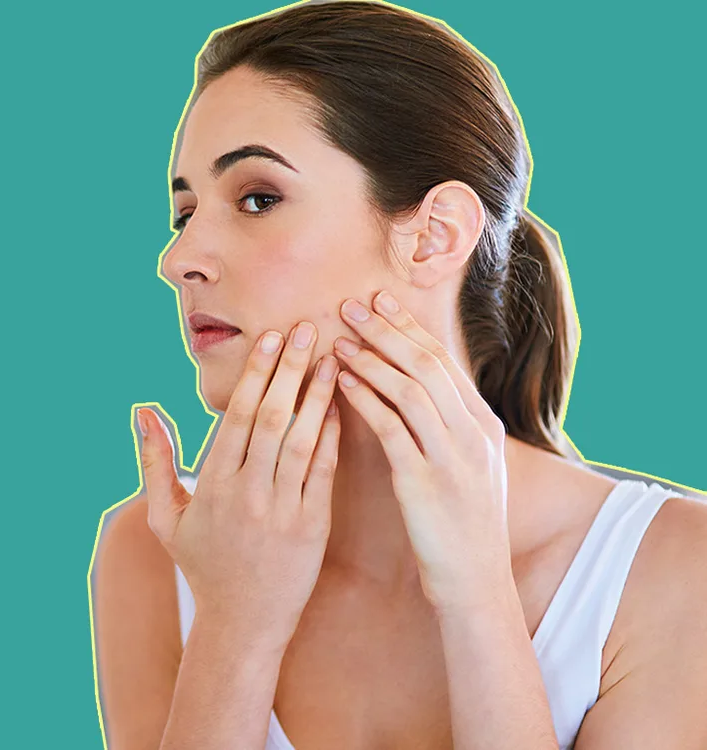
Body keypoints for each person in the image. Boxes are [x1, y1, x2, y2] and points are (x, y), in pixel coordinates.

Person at [91, 2, 707, 749]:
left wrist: (475, 594)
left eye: (258, 199)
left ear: (434, 237)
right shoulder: (154, 556)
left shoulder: (673, 571)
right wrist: (233, 626)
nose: (178, 259)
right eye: (183, 212)